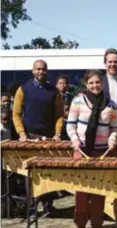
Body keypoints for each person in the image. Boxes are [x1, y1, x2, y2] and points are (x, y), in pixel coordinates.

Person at [66, 70, 117, 228]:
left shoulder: (111, 104)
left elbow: (115, 127)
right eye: (91, 83)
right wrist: (75, 140)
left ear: (102, 83)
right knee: (81, 193)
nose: (95, 85)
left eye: (97, 82)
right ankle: (80, 224)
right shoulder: (78, 101)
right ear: (86, 84)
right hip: (81, 151)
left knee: (99, 193)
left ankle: (97, 224)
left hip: (101, 153)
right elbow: (70, 125)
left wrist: (112, 138)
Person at [12, 59, 64, 214]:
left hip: (48, 139)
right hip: (28, 138)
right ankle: (31, 207)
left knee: (48, 174)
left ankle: (48, 205)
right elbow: (16, 113)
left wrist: (57, 133)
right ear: (33, 71)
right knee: (29, 174)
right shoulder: (23, 89)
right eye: (38, 69)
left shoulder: (54, 91)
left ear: (46, 71)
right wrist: (21, 133)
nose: (41, 71)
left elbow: (60, 115)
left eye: (43, 69)